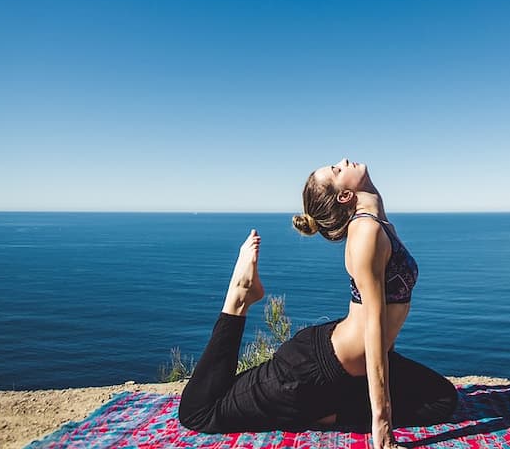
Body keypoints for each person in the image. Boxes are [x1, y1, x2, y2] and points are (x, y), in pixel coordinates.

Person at [177, 158, 457, 448]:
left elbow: (383, 324)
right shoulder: (366, 233)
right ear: (345, 196)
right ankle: (239, 298)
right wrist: (382, 427)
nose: (343, 162)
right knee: (200, 412)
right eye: (336, 170)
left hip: (348, 367)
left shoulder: (379, 224)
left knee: (442, 400)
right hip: (311, 370)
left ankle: (323, 410)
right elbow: (373, 328)